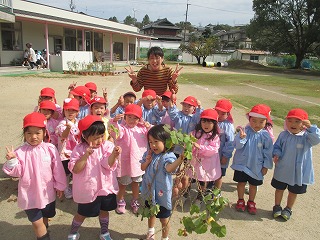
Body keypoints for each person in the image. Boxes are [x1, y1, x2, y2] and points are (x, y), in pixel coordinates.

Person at [3, 112, 67, 240]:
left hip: (47, 193)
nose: (33, 137)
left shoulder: (49, 149)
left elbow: (57, 169)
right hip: (29, 195)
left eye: (37, 133)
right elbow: (17, 172)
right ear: (24, 134)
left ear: (44, 132)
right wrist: (12, 161)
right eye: (29, 133)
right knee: (37, 224)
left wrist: (60, 186)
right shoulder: (20, 152)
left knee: (45, 218)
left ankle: (44, 229)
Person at [67, 115, 121, 240]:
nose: (100, 140)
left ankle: (104, 232)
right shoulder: (79, 149)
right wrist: (85, 156)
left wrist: (114, 154)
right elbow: (75, 169)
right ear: (85, 137)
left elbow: (107, 164)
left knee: (104, 210)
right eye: (96, 138)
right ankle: (73, 232)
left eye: (102, 136)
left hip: (106, 187)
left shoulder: (107, 146)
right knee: (82, 213)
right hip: (88, 189)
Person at [272, 108, 320, 221]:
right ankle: (277, 206)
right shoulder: (284, 135)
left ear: (303, 123)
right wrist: (276, 153)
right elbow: (277, 146)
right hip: (283, 168)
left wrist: (311, 128)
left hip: (299, 171)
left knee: (293, 191)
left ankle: (288, 209)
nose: (292, 124)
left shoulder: (307, 136)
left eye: (297, 121)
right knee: (279, 189)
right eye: (290, 121)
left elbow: (317, 139)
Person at [140, 124, 184, 240]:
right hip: (150, 191)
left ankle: (165, 238)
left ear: (167, 142)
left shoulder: (168, 156)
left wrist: (180, 159)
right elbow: (142, 168)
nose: (153, 145)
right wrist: (147, 161)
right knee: (151, 213)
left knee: (164, 219)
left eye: (156, 141)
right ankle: (150, 232)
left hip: (162, 194)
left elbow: (169, 168)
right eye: (150, 142)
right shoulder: (149, 154)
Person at [231, 104, 273, 215]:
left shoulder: (265, 136)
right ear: (249, 120)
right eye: (254, 121)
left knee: (253, 185)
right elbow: (237, 146)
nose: (257, 124)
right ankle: (240, 200)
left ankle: (251, 201)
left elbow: (268, 152)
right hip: (242, 164)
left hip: (256, 166)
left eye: (261, 122)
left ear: (266, 122)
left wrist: (266, 166)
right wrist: (241, 138)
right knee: (241, 183)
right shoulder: (244, 131)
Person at [110, 104, 151, 214]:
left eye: (135, 118)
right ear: (125, 117)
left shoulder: (142, 130)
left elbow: (153, 134)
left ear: (140, 119)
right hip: (125, 163)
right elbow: (115, 133)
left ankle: (135, 200)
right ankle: (120, 200)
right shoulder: (123, 129)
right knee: (123, 183)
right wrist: (114, 121)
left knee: (136, 183)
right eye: (129, 117)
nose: (132, 120)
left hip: (137, 163)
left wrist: (147, 126)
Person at [186, 109, 221, 204]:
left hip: (206, 164)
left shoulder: (215, 137)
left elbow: (213, 150)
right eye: (204, 121)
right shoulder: (195, 133)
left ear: (214, 124)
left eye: (209, 122)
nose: (206, 125)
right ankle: (185, 193)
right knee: (189, 177)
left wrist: (200, 147)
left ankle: (200, 196)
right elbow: (189, 144)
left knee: (202, 180)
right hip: (194, 161)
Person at [56, 98, 80, 199]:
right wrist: (68, 128)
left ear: (77, 112)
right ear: (64, 111)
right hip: (65, 153)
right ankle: (66, 188)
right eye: (67, 110)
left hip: (76, 153)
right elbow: (63, 135)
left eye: (73, 110)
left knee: (75, 171)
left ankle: (76, 187)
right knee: (66, 172)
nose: (70, 112)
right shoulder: (62, 123)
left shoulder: (79, 123)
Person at [214, 99, 235, 190]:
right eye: (217, 112)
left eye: (223, 113)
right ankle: (208, 189)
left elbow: (230, 142)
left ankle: (217, 192)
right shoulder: (212, 121)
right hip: (211, 154)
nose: (219, 115)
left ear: (228, 114)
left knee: (219, 175)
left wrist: (225, 156)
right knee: (209, 172)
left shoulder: (228, 126)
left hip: (221, 155)